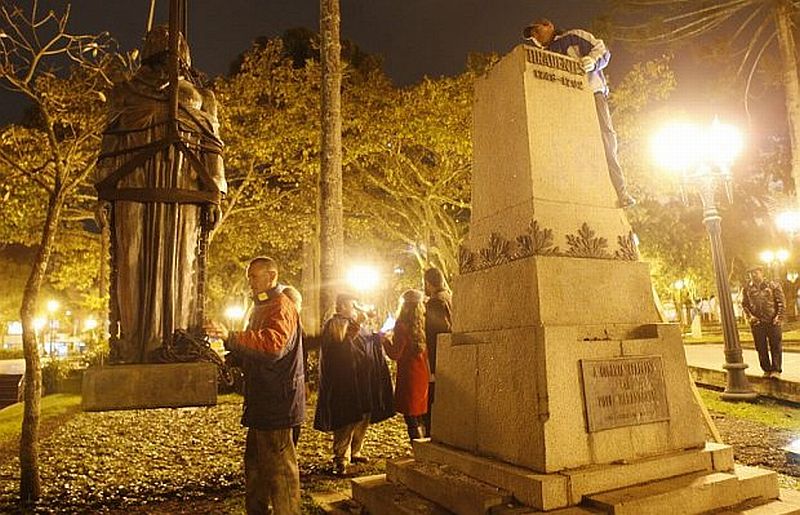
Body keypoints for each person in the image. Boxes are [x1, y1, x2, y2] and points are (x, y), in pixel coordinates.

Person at [96, 25, 226, 363]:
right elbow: (108, 146)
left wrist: (215, 194)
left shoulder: (201, 97)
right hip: (133, 186)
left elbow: (212, 149)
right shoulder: (124, 92)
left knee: (182, 263)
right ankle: (135, 344)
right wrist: (104, 194)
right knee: (132, 260)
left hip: (183, 191)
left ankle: (177, 341)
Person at [205, 257, 304, 514]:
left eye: (254, 276)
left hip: (277, 404)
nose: (249, 281)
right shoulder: (264, 306)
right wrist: (227, 353)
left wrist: (232, 336)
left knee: (281, 473)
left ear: (271, 276)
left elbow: (273, 346)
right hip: (263, 402)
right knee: (257, 469)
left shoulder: (280, 306)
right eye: (249, 276)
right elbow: (254, 348)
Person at [523, 18, 635, 209]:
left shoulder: (574, 36)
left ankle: (620, 190)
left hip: (591, 93)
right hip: (566, 105)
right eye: (532, 36)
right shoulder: (541, 56)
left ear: (548, 25)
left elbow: (602, 50)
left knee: (605, 139)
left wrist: (592, 61)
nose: (535, 37)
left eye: (536, 31)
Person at [313, 294, 374, 476]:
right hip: (342, 380)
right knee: (345, 418)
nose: (354, 308)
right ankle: (341, 458)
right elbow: (342, 341)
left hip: (359, 377)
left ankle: (355, 450)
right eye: (351, 305)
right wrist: (357, 324)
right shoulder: (335, 323)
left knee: (362, 416)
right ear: (340, 307)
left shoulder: (355, 322)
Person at [383, 289, 430, 442]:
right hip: (422, 373)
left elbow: (395, 354)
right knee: (420, 415)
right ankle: (424, 444)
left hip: (409, 375)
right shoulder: (424, 323)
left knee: (411, 417)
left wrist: (385, 341)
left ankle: (418, 448)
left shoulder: (401, 326)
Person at [422, 268, 452, 437]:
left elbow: (435, 334)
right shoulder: (449, 298)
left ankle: (432, 434)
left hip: (436, 360)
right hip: (448, 356)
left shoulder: (435, 302)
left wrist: (431, 367)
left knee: (433, 401)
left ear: (428, 283)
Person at [742, 265, 786, 378]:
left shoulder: (773, 285)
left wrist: (778, 317)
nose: (753, 275)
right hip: (757, 323)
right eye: (751, 273)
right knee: (760, 347)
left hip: (773, 321)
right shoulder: (747, 288)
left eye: (755, 272)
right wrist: (750, 317)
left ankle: (776, 370)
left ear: (761, 272)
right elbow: (745, 305)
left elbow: (781, 303)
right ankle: (766, 369)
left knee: (775, 346)